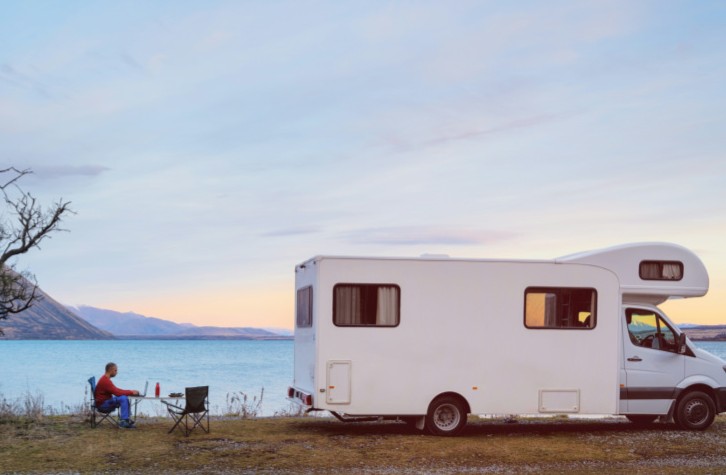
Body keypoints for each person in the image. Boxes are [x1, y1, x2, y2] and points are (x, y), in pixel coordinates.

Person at [95, 362, 139, 428]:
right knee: (123, 398)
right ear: (110, 370)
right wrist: (131, 392)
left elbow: (116, 390)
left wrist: (130, 392)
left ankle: (127, 419)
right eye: (115, 370)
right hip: (103, 405)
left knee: (123, 397)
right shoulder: (105, 381)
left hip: (105, 401)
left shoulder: (105, 379)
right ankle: (124, 422)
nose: (116, 372)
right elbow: (117, 392)